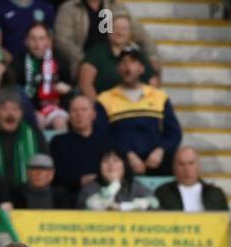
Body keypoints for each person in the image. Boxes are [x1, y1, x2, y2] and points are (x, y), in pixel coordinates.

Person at [97, 47, 180, 176]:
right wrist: (126, 154)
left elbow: (174, 133)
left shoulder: (159, 96)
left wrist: (160, 150)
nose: (127, 66)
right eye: (123, 62)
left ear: (142, 68)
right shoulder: (105, 99)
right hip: (121, 162)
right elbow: (103, 135)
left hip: (156, 161)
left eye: (132, 62)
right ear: (118, 68)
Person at [75, 11, 156, 99]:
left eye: (124, 29)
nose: (119, 32)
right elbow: (85, 84)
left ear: (130, 33)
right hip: (105, 106)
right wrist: (98, 108)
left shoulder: (137, 54)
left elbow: (152, 81)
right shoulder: (96, 53)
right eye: (115, 28)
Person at [0, 87, 47, 188]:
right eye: (4, 108)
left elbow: (45, 164)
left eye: (16, 108)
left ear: (21, 113)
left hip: (27, 193)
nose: (11, 114)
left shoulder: (34, 134)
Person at [49, 92, 111, 195]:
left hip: (102, 193)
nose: (79, 114)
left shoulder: (107, 142)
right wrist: (79, 181)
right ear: (69, 115)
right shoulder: (58, 142)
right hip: (68, 195)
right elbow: (55, 174)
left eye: (84, 110)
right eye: (74, 111)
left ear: (93, 115)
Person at [18, 22, 70, 132]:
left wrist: (66, 89)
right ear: (26, 41)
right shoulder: (18, 63)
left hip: (55, 106)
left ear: (48, 41)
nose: (37, 44)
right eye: (33, 39)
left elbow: (70, 86)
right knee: (38, 119)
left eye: (41, 39)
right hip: (29, 108)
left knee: (59, 121)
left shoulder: (60, 60)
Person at [156, 147, 230, 212]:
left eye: (191, 163)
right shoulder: (163, 193)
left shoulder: (215, 194)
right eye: (181, 164)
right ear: (174, 168)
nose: (187, 169)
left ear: (198, 166)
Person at [79, 149, 157, 211]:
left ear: (124, 166)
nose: (110, 164)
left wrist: (122, 207)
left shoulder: (134, 186)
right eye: (105, 161)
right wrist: (114, 185)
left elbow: (154, 203)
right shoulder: (91, 188)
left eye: (116, 160)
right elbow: (94, 207)